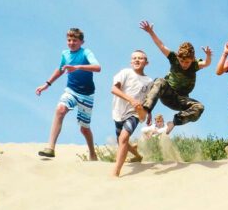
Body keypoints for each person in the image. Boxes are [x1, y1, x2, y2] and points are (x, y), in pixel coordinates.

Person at [35, 27, 101, 160]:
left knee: (84, 129)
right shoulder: (65, 54)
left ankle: (92, 154)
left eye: (75, 40)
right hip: (71, 90)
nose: (71, 43)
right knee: (60, 109)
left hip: (87, 94)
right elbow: (60, 70)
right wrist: (46, 84)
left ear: (81, 42)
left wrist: (77, 67)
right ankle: (50, 148)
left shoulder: (86, 53)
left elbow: (98, 67)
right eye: (69, 40)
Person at [137, 20, 212, 134]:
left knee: (199, 107)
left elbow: (206, 63)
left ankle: (174, 122)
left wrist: (208, 56)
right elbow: (161, 45)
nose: (184, 64)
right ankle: (146, 109)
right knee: (160, 81)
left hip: (181, 100)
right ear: (178, 57)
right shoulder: (173, 58)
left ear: (192, 59)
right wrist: (151, 32)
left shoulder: (195, 64)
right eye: (182, 61)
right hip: (168, 93)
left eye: (187, 62)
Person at [110, 50, 153, 177]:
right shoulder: (125, 72)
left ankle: (116, 172)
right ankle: (137, 155)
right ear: (131, 61)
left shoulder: (149, 81)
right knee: (121, 141)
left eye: (140, 58)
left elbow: (148, 100)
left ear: (146, 62)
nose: (137, 60)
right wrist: (131, 99)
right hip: (118, 112)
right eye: (134, 58)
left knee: (123, 138)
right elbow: (114, 89)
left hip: (134, 113)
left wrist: (149, 112)